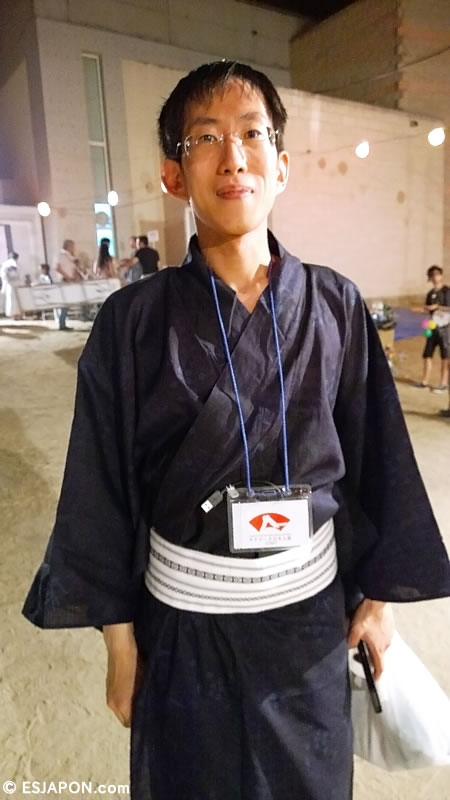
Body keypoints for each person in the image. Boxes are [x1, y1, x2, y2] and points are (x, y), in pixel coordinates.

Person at [23, 61, 450, 800]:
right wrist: (119, 642)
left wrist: (377, 603)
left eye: (253, 134)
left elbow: (379, 461)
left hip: (308, 630)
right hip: (182, 630)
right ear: (173, 175)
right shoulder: (132, 323)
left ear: (281, 166)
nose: (233, 157)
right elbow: (100, 486)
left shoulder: (335, 305)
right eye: (205, 138)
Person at [415, 265, 450, 391]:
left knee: (445, 356)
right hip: (433, 327)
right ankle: (425, 381)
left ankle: (443, 383)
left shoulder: (447, 291)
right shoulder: (430, 294)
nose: (435, 277)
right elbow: (428, 309)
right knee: (427, 354)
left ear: (441, 276)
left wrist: (437, 307)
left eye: (437, 274)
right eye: (432, 275)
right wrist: (422, 310)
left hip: (445, 328)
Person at [54, 239, 81, 331]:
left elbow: (74, 268)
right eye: (72, 246)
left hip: (70, 281)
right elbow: (57, 268)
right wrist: (67, 277)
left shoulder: (70, 257)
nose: (74, 248)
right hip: (64, 281)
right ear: (68, 246)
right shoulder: (60, 255)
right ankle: (61, 323)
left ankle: (63, 322)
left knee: (67, 303)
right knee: (64, 303)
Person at [0, 251, 22, 318]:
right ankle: (13, 314)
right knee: (12, 299)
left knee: (8, 298)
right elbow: (12, 274)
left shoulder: (5, 263)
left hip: (8, 283)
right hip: (11, 283)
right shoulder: (12, 263)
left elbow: (2, 274)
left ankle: (9, 313)